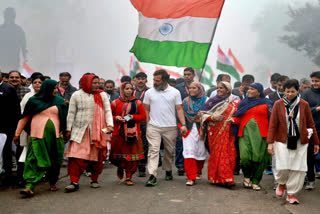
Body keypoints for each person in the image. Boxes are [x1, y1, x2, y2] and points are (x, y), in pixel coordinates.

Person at [268, 79, 319, 204]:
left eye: (292, 91)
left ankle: (291, 193)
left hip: (300, 140)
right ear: (284, 91)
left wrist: (316, 142)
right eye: (287, 91)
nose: (290, 94)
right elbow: (273, 124)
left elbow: (310, 123)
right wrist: (270, 143)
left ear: (298, 91)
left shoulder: (304, 104)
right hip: (282, 140)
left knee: (298, 168)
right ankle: (281, 183)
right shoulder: (278, 104)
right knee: (282, 166)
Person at [14, 80, 67, 197]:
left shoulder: (59, 101)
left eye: (56, 88)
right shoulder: (33, 101)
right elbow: (24, 118)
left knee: (55, 160)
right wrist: (17, 134)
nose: (56, 91)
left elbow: (64, 117)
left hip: (56, 137)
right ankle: (29, 186)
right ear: (46, 89)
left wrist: (67, 131)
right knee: (33, 159)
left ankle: (52, 182)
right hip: (38, 136)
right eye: (53, 88)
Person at [64, 74, 113, 192]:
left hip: (98, 131)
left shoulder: (102, 95)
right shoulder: (76, 95)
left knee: (96, 157)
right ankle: (74, 182)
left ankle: (94, 179)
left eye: (98, 83)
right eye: (94, 83)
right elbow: (71, 113)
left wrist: (110, 125)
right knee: (75, 156)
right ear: (86, 83)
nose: (97, 85)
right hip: (79, 130)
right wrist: (68, 129)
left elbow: (107, 110)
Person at [143, 69, 187, 186]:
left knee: (170, 151)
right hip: (153, 127)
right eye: (154, 80)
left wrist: (183, 124)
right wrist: (148, 123)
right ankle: (152, 175)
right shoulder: (149, 93)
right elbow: (146, 109)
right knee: (153, 150)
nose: (155, 82)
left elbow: (179, 109)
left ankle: (168, 169)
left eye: (157, 81)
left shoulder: (175, 92)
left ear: (165, 80)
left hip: (170, 127)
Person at [227, 83, 272, 190]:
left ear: (259, 91)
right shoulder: (244, 102)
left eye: (252, 89)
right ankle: (247, 177)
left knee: (259, 159)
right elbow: (239, 116)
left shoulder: (268, 103)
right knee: (244, 158)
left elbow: (272, 119)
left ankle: (255, 180)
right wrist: (233, 120)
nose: (249, 91)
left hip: (262, 134)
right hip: (245, 134)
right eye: (249, 89)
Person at [202, 82, 240, 187]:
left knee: (231, 155)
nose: (218, 89)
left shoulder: (235, 101)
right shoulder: (212, 101)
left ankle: (223, 178)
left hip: (230, 132)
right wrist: (213, 117)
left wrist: (234, 119)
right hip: (214, 132)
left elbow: (240, 115)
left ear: (228, 90)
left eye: (221, 88)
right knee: (219, 155)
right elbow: (203, 114)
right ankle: (224, 179)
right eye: (218, 88)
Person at [110, 82, 146, 185]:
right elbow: (107, 116)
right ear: (122, 90)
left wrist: (132, 117)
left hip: (133, 133)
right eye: (127, 89)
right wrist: (116, 118)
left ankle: (129, 176)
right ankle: (121, 167)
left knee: (133, 156)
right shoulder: (115, 103)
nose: (129, 91)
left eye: (131, 89)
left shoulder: (138, 103)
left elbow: (143, 116)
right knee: (119, 155)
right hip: (119, 133)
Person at [16, 74, 44, 187]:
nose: (37, 84)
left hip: (41, 129)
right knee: (25, 152)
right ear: (31, 84)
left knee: (39, 153)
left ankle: (38, 176)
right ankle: (22, 177)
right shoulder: (28, 96)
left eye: (39, 82)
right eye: (35, 82)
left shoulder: (46, 96)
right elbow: (23, 113)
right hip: (27, 129)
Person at [181, 82, 208, 186]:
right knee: (189, 152)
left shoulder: (207, 100)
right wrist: (182, 125)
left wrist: (203, 115)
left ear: (200, 89)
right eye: (190, 88)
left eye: (194, 88)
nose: (191, 90)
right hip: (188, 129)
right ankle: (191, 177)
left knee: (200, 152)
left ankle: (198, 171)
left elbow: (211, 113)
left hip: (201, 129)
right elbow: (180, 114)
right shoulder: (185, 101)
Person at [175, 67, 197, 176]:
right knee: (180, 141)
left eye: (189, 74)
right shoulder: (178, 88)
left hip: (195, 119)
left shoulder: (198, 86)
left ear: (193, 75)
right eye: (185, 74)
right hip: (181, 118)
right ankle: (180, 165)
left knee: (193, 141)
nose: (187, 76)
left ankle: (193, 164)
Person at [0, 71, 21, 186]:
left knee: (6, 153)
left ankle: (7, 178)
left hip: (6, 128)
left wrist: (15, 127)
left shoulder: (8, 88)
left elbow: (16, 110)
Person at [302, 71, 320, 190]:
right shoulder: (306, 94)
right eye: (313, 81)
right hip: (312, 129)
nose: (314, 83)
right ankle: (310, 179)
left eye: (317, 81)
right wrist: (316, 109)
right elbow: (304, 109)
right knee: (310, 156)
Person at [0, 8, 27, 73]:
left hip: (13, 59)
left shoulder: (18, 30)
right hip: (2, 59)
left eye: (11, 16)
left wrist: (25, 57)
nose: (9, 18)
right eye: (7, 16)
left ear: (13, 17)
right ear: (5, 17)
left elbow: (23, 45)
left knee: (13, 76)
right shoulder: (0, 29)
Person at [133, 72, 150, 177]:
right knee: (131, 143)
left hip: (145, 122)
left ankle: (142, 166)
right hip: (131, 121)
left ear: (146, 80)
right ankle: (130, 166)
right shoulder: (129, 91)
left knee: (144, 144)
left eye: (143, 79)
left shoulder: (150, 92)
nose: (140, 81)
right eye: (138, 79)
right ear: (135, 80)